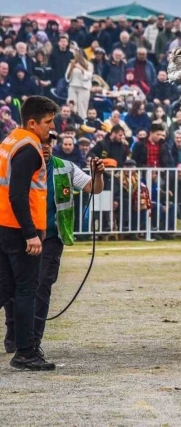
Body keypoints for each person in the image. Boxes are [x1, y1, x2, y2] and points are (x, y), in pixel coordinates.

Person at [4, 132, 104, 360]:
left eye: (49, 143)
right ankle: (15, 331)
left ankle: (32, 341)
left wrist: (97, 175)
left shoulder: (65, 167)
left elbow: (94, 188)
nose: (46, 147)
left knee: (42, 286)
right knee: (14, 286)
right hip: (21, 234)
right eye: (42, 143)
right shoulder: (20, 164)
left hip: (51, 237)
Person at [0, 96, 57, 370]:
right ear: (32, 123)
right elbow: (18, 195)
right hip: (18, 229)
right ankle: (25, 353)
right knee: (25, 290)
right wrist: (30, 233)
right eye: (48, 122)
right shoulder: (29, 148)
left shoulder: (11, 140)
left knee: (5, 288)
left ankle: (23, 350)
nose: (51, 127)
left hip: (4, 226)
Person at [65, 46, 93, 119]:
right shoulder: (71, 63)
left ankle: (82, 122)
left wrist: (81, 69)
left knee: (82, 106)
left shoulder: (89, 64)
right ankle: (72, 121)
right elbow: (67, 77)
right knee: (72, 105)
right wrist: (71, 68)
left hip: (83, 88)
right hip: (73, 86)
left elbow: (89, 76)